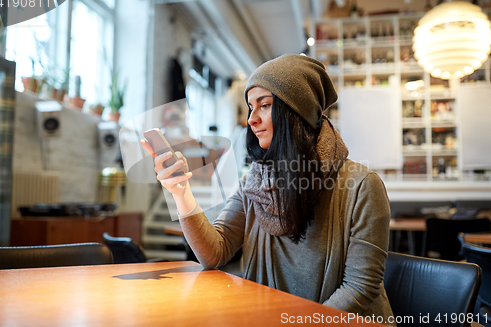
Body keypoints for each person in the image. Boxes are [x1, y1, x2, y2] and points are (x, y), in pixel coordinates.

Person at [141, 54, 394, 322]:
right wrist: (181, 192)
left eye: (265, 105)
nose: (251, 119)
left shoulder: (362, 186)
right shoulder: (256, 180)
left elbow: (360, 289)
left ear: (297, 112)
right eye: (251, 106)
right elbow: (215, 252)